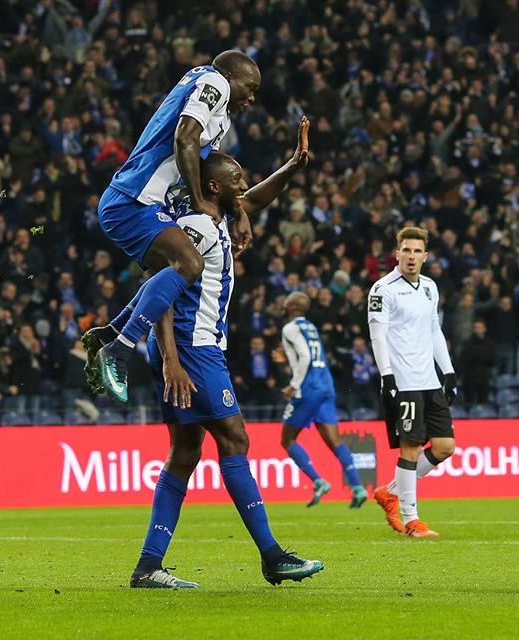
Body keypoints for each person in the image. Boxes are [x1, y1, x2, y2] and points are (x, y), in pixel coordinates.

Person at [131, 139, 322, 589]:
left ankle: (148, 566)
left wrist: (293, 166)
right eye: (236, 178)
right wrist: (171, 361)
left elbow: (254, 199)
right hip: (190, 347)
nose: (243, 184)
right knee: (235, 439)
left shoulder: (215, 216)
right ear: (213, 187)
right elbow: (160, 285)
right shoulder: (195, 226)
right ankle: (272, 556)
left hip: (196, 347)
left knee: (185, 454)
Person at [86, 50, 261, 403]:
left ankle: (111, 333)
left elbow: (213, 170)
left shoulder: (213, 102)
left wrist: (237, 209)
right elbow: (185, 137)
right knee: (190, 263)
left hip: (143, 201)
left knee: (168, 274)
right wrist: (198, 200)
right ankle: (119, 349)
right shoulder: (215, 82)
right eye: (250, 87)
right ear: (231, 76)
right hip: (135, 198)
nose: (252, 97)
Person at [368, 227, 458, 538]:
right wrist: (387, 375)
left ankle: (390, 491)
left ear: (425, 256)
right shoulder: (383, 289)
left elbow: (434, 330)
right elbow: (378, 336)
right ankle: (411, 521)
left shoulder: (430, 287)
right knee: (411, 448)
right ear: (397, 254)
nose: (411, 256)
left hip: (429, 380)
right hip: (403, 381)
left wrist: (448, 372)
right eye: (406, 250)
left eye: (417, 251)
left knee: (445, 447)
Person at [278, 291, 366, 508]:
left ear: (293, 306)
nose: (283, 303)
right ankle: (358, 487)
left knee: (287, 439)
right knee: (334, 440)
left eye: (287, 301)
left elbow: (305, 356)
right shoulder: (310, 326)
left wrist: (293, 385)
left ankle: (318, 481)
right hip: (326, 386)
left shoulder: (289, 328)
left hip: (308, 389)